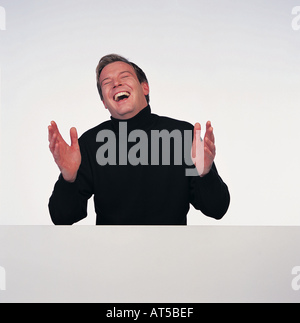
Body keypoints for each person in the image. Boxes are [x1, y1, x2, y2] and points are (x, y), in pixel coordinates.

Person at [48, 54, 230, 225]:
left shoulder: (182, 135)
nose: (116, 83)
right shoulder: (90, 144)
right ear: (104, 101)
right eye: (107, 82)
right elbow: (62, 218)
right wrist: (68, 179)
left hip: (171, 255)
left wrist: (205, 174)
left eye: (124, 77)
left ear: (145, 87)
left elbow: (217, 209)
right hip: (112, 255)